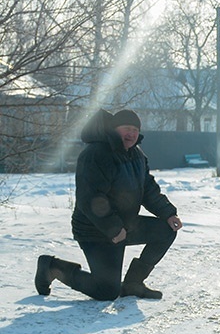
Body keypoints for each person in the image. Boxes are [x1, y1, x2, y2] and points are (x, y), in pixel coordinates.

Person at [35, 109, 184, 300]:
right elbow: (90, 198)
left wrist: (168, 213)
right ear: (113, 129)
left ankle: (133, 283)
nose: (131, 133)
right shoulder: (96, 154)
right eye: (126, 128)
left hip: (124, 226)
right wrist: (113, 228)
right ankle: (52, 268)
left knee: (166, 230)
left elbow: (148, 189)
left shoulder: (136, 154)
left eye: (135, 129)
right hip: (95, 230)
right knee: (107, 291)